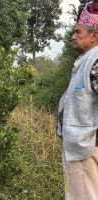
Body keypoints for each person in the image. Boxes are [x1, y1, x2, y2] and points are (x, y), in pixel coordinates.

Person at [57, 7, 98, 200]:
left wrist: (91, 137)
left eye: (78, 32)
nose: (73, 36)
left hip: (85, 149)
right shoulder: (87, 60)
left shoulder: (96, 61)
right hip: (79, 149)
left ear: (94, 36)